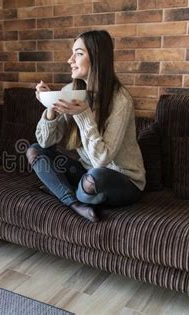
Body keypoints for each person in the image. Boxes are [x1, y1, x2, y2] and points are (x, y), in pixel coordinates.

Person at [27, 30, 145, 223]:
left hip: (122, 179)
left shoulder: (120, 100)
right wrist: (51, 108)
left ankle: (61, 189)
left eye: (79, 53)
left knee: (93, 180)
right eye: (72, 53)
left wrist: (83, 115)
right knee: (35, 151)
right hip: (85, 171)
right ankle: (76, 204)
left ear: (97, 58)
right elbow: (45, 142)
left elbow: (102, 160)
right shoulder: (71, 92)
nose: (70, 60)